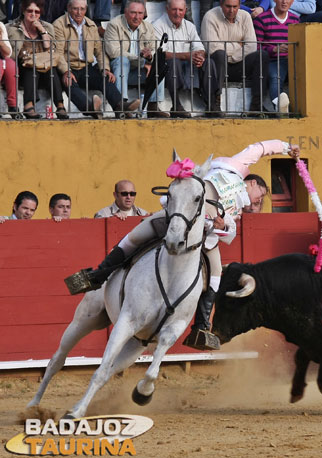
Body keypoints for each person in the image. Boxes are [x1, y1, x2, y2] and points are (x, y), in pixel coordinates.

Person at [66, 141, 300, 351]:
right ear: (251, 182)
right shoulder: (233, 168)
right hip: (175, 218)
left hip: (201, 239)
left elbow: (227, 230)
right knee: (133, 238)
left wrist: (222, 224)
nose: (256, 201)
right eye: (259, 194)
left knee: (216, 275)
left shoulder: (237, 208)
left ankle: (201, 326)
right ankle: (97, 276)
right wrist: (287, 147)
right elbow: (259, 148)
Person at [53, 0, 141, 119]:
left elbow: (99, 50)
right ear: (68, 8)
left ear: (86, 9)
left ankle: (120, 106)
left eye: (82, 9)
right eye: (75, 9)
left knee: (106, 79)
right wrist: (65, 71)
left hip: (86, 67)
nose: (79, 12)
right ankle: (90, 108)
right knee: (69, 83)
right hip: (69, 66)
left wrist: (105, 68)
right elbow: (58, 52)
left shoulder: (91, 25)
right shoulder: (58, 24)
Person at [201, 0, 271, 114]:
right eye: (228, 6)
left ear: (239, 6)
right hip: (218, 67)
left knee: (262, 55)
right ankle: (214, 104)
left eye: (235, 6)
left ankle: (256, 105)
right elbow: (212, 48)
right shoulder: (210, 16)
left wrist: (230, 55)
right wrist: (238, 45)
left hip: (239, 65)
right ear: (221, 4)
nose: (232, 10)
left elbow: (252, 46)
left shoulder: (245, 16)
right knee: (219, 55)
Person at [153, 0, 219, 118]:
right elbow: (159, 54)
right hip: (170, 68)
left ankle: (212, 104)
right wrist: (186, 56)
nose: (177, 13)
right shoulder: (157, 25)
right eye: (174, 9)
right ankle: (176, 105)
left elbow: (199, 47)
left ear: (185, 11)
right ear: (167, 9)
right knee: (173, 62)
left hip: (189, 66)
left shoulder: (189, 26)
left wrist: (199, 56)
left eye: (180, 10)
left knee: (208, 62)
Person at [7, 0, 68, 120]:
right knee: (32, 68)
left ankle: (60, 106)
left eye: (37, 12)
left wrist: (42, 30)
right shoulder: (12, 28)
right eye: (30, 11)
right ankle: (28, 106)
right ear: (24, 11)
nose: (33, 14)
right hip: (22, 70)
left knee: (51, 70)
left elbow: (51, 50)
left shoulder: (48, 27)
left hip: (44, 68)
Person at [104, 0, 160, 116]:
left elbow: (155, 48)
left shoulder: (148, 27)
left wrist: (149, 57)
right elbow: (113, 51)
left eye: (140, 13)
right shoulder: (114, 24)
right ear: (125, 13)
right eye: (133, 13)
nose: (137, 17)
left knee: (159, 65)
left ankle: (153, 107)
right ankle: (121, 105)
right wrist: (139, 58)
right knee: (122, 60)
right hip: (118, 73)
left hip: (138, 72)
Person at [253, 0, 299, 107]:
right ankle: (279, 106)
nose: (284, 2)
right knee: (276, 77)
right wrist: (274, 49)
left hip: (292, 59)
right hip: (273, 60)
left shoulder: (295, 19)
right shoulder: (261, 19)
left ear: (292, 2)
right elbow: (255, 47)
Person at [0, 20, 18, 118]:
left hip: (1, 58)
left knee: (11, 64)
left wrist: (1, 43)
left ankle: (13, 106)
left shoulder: (0, 25)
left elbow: (8, 53)